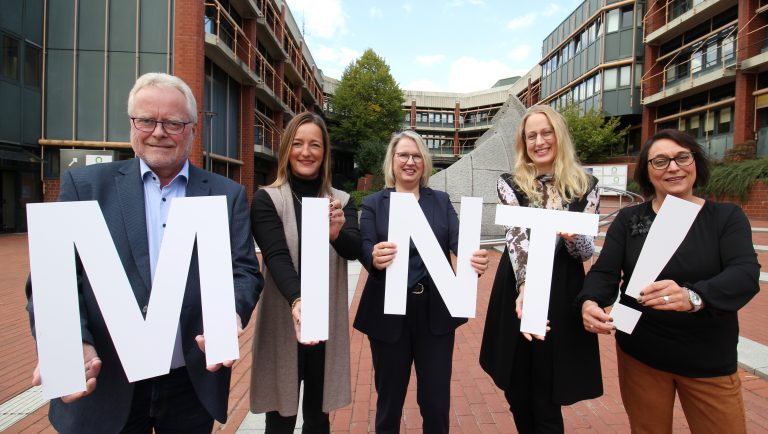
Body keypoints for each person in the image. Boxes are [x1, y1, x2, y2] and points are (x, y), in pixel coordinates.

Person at [24, 72, 264, 433]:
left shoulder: (226, 194)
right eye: (147, 120)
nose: (159, 131)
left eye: (173, 122)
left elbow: (244, 270)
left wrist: (230, 312)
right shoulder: (85, 186)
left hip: (189, 380)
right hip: (108, 381)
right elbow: (53, 280)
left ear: (193, 130)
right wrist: (75, 342)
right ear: (131, 125)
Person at [578, 129, 760, 434]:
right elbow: (605, 272)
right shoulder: (629, 220)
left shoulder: (725, 217)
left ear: (695, 162)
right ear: (648, 173)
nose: (673, 167)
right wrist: (589, 301)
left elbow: (744, 273)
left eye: (681, 157)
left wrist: (694, 296)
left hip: (708, 357)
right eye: (660, 161)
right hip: (641, 353)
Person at [353, 130, 489, 434]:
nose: (410, 162)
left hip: (435, 314)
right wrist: (372, 256)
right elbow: (364, 245)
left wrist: (474, 259)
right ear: (393, 161)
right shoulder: (376, 203)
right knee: (389, 402)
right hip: (389, 314)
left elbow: (459, 240)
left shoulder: (440, 201)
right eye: (403, 155)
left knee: (436, 402)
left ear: (424, 163)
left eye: (416, 156)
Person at [479, 104, 603, 434]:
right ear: (524, 143)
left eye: (546, 132)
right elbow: (516, 239)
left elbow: (586, 252)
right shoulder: (510, 183)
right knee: (516, 386)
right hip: (517, 286)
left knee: (547, 393)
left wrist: (575, 236)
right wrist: (525, 288)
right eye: (531, 135)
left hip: (562, 288)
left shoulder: (586, 185)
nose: (539, 141)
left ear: (558, 136)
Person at [249, 112, 360, 433]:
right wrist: (297, 300)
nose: (306, 152)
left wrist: (337, 233)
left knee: (317, 417)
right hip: (284, 322)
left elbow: (354, 250)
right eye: (297, 144)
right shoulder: (267, 199)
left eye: (315, 145)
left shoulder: (341, 201)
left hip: (324, 325)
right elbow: (276, 256)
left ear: (325, 152)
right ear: (286, 149)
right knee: (280, 418)